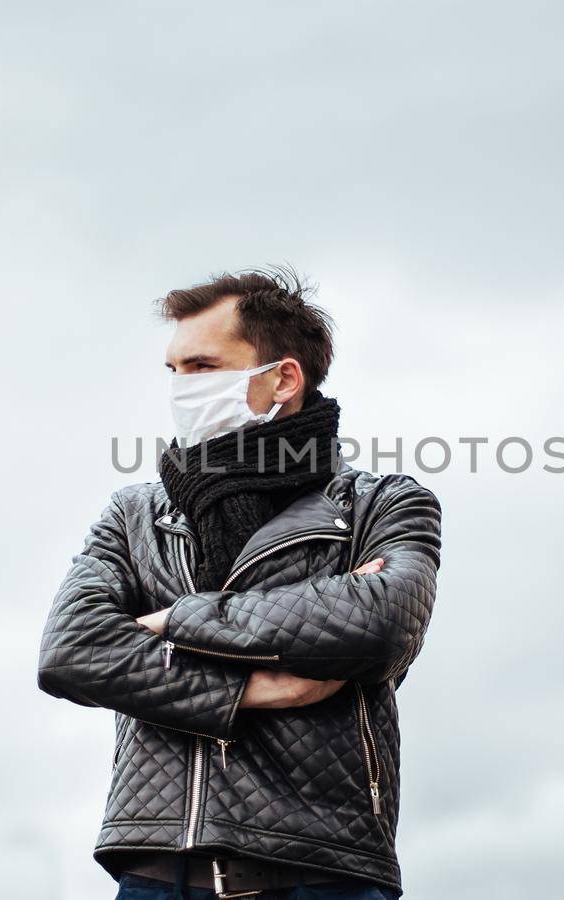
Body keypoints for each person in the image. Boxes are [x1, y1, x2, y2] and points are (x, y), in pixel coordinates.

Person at [38, 268, 441, 899]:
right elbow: (73, 652)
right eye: (172, 371)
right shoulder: (136, 513)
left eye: (202, 367)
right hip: (157, 873)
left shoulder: (381, 503)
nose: (180, 388)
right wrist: (246, 691)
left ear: (283, 377)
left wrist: (174, 620)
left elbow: (383, 621)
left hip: (323, 874)